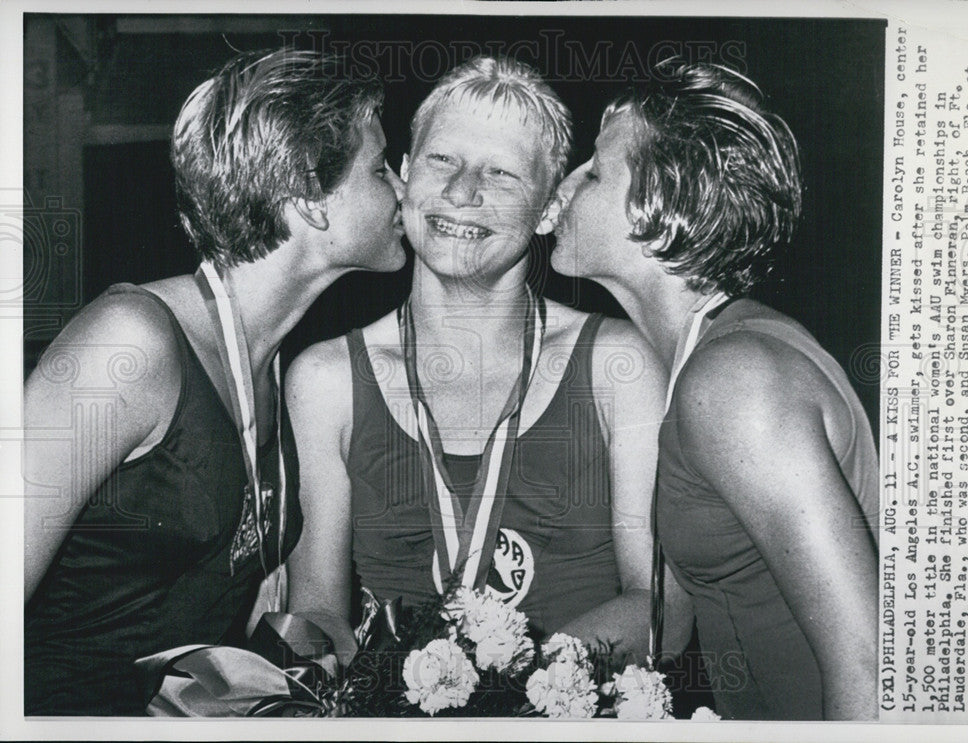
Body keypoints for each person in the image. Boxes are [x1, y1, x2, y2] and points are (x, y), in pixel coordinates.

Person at [23, 49, 406, 715]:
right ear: (310, 200)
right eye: (381, 168)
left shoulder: (278, 364)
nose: (402, 189)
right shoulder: (129, 341)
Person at [286, 56, 692, 674]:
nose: (462, 192)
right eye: (442, 160)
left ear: (550, 210)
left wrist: (515, 695)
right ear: (401, 178)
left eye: (501, 173)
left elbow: (661, 604)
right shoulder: (325, 379)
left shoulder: (618, 365)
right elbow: (316, 609)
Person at [551, 61, 879, 720]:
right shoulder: (703, 363)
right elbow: (667, 620)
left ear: (663, 207)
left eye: (592, 173)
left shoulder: (734, 379)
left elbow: (870, 667)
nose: (562, 188)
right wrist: (491, 669)